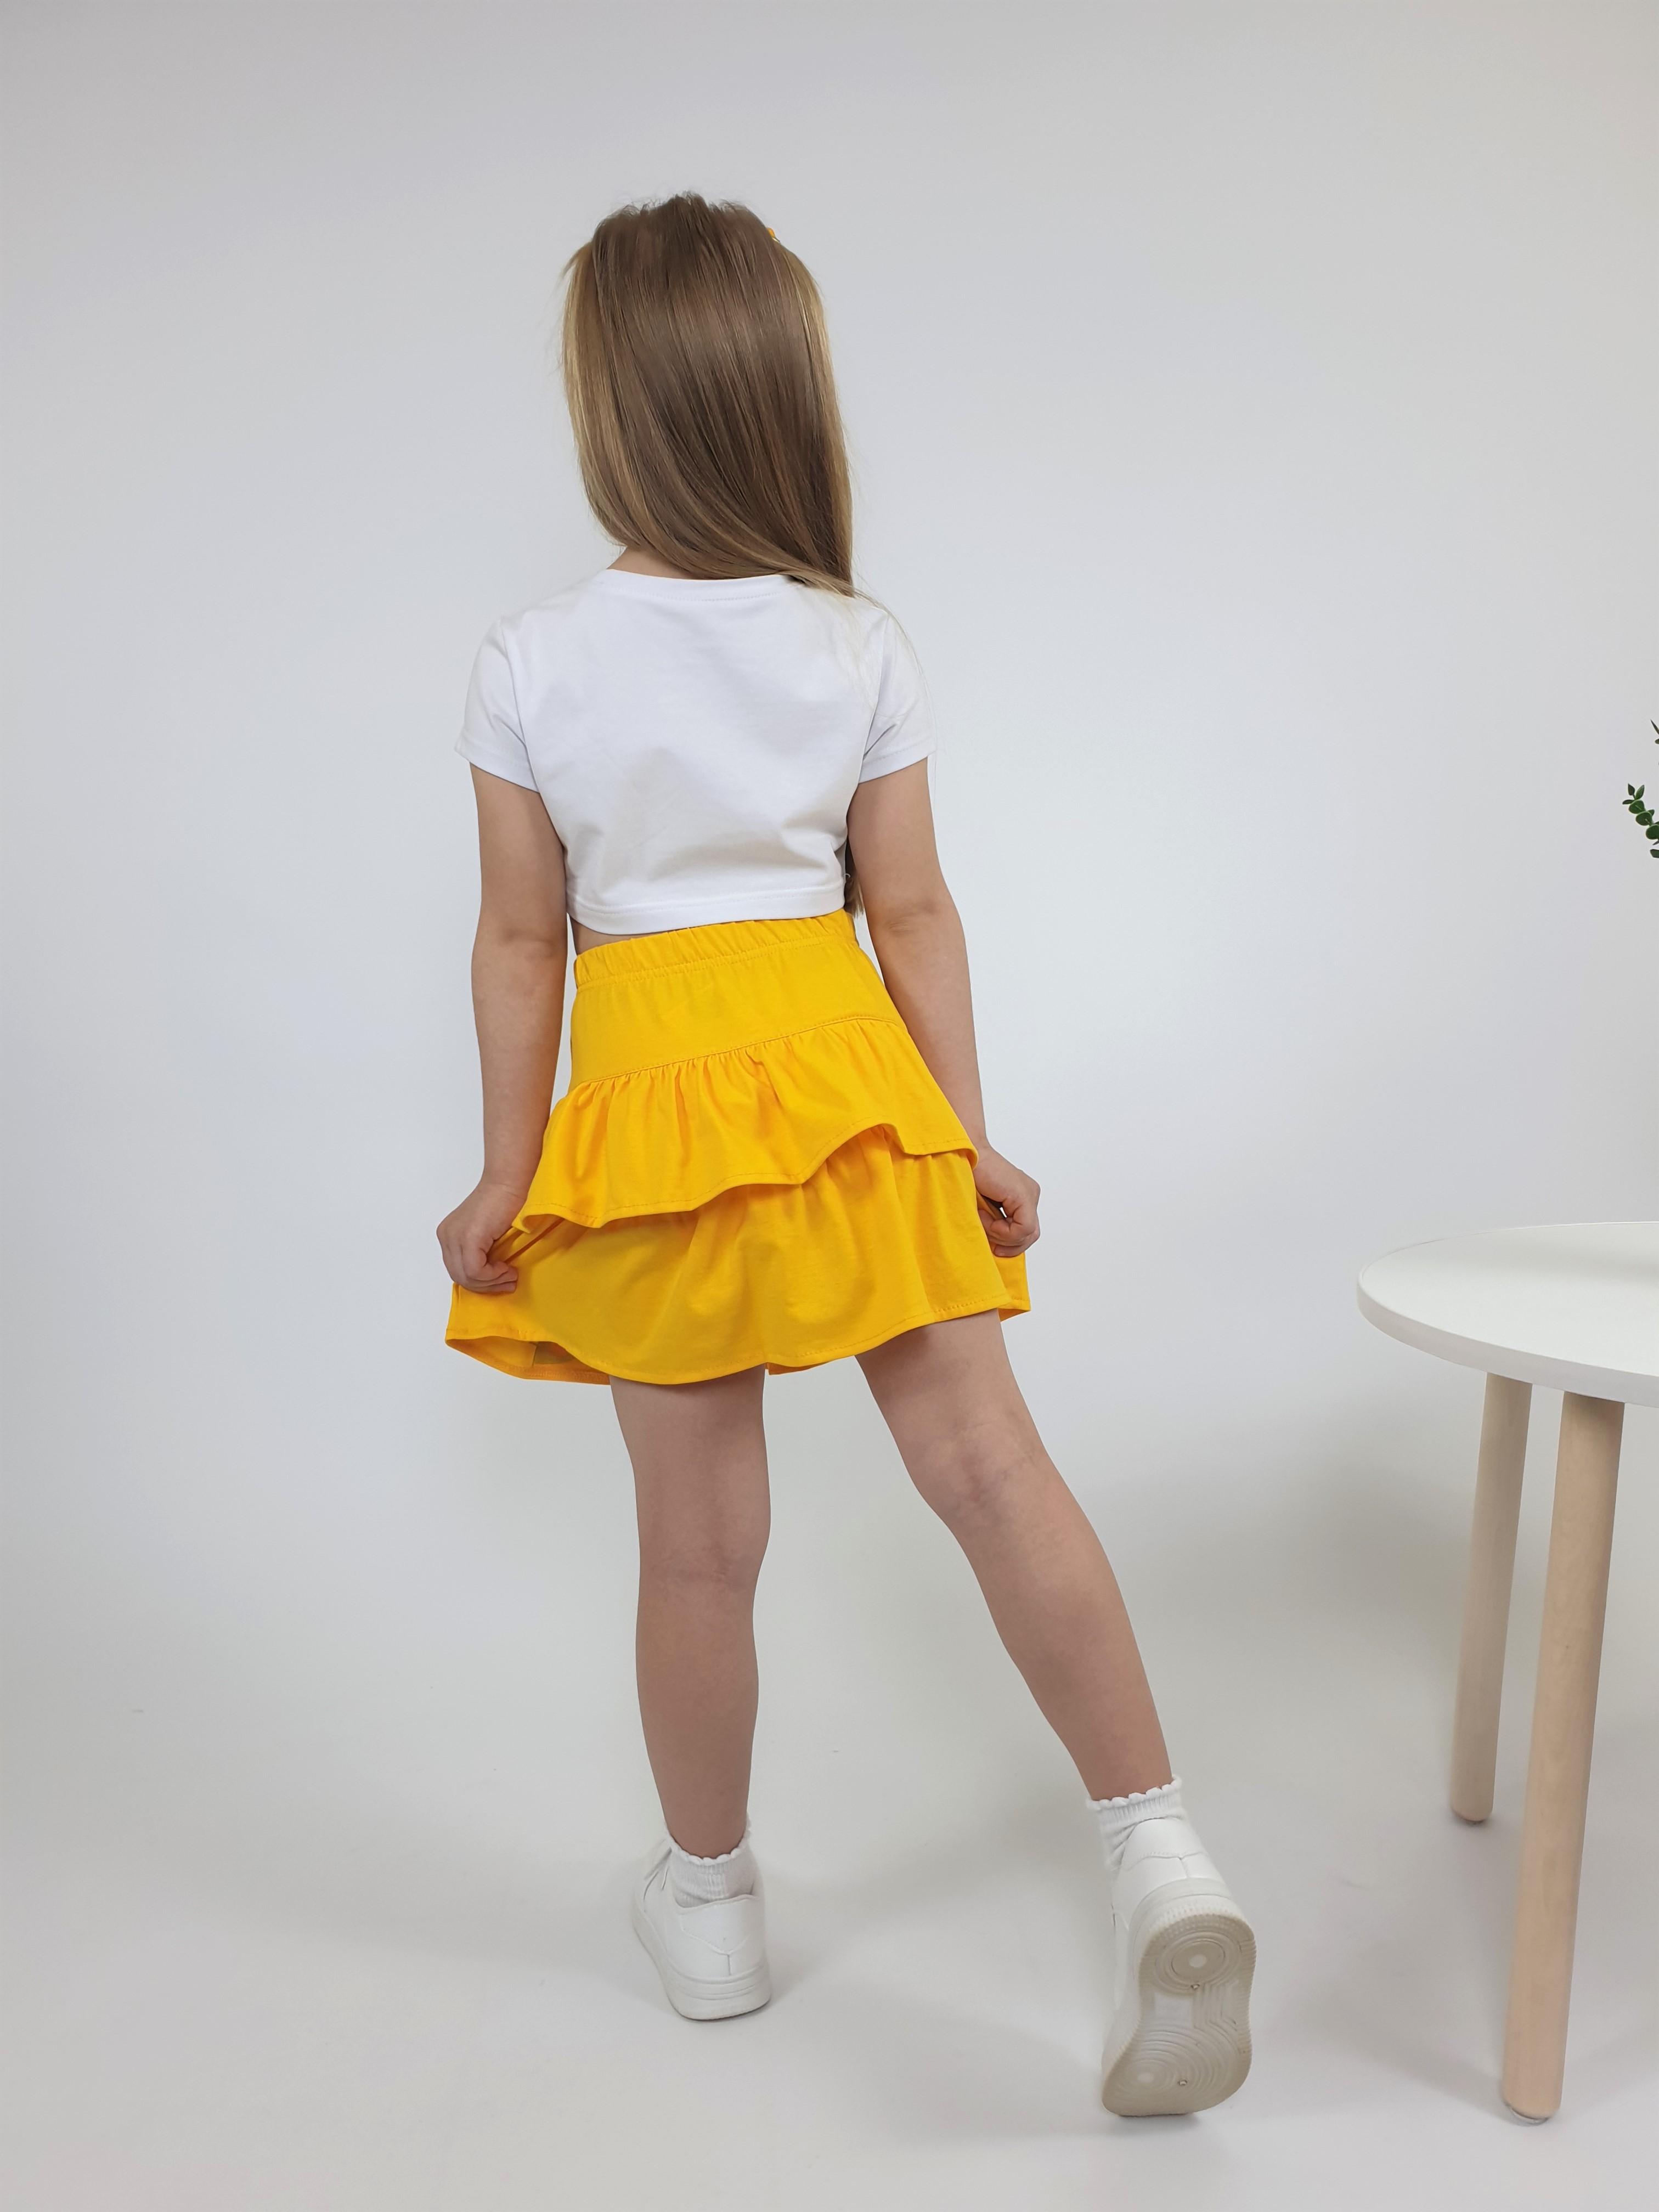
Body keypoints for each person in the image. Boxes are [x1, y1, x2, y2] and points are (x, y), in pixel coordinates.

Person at [437, 193, 1254, 2118]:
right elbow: (915, 913)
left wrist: (505, 1171)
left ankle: (712, 1906)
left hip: (652, 1112)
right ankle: (1159, 1851)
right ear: (780, 397)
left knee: (699, 1548)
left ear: (612, 408)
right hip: (851, 1088)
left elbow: (523, 942)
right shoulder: (851, 642)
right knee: (993, 1469)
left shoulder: (532, 660)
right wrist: (963, 1135)